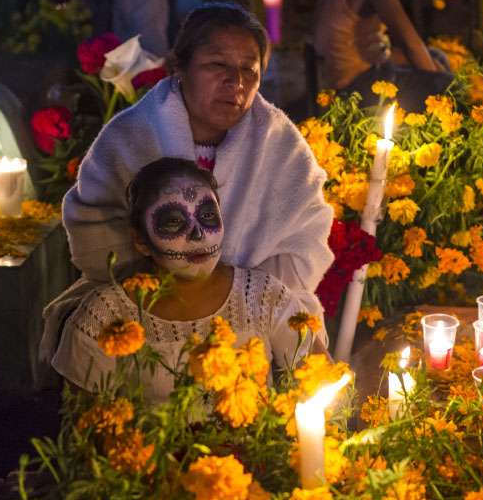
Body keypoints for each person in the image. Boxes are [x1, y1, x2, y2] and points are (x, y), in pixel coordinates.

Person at [40, 2, 334, 365]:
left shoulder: (281, 145)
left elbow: (305, 242)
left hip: (254, 312)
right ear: (179, 66)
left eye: (249, 70)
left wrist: (233, 293)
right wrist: (178, 288)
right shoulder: (130, 135)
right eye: (217, 64)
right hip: (147, 305)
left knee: (307, 360)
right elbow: (94, 232)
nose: (236, 83)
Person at [52, 158, 322, 403]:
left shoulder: (264, 297)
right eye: (173, 221)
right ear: (140, 240)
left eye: (207, 216)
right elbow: (84, 434)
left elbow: (325, 384)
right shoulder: (105, 317)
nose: (198, 236)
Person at [312, 0, 454, 112]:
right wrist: (439, 86)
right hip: (351, 88)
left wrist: (434, 68)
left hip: (345, 70)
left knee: (437, 57)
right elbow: (410, 44)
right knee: (449, 86)